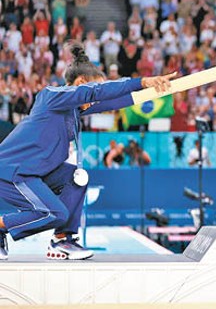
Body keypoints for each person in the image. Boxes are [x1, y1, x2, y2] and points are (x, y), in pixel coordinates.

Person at [0, 41, 175, 260]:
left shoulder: (74, 109)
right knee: (55, 212)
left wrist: (152, 89)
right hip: (11, 172)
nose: (96, 102)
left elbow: (115, 100)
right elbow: (100, 91)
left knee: (76, 178)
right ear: (81, 83)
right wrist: (142, 80)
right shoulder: (50, 96)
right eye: (94, 94)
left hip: (34, 172)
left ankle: (63, 240)